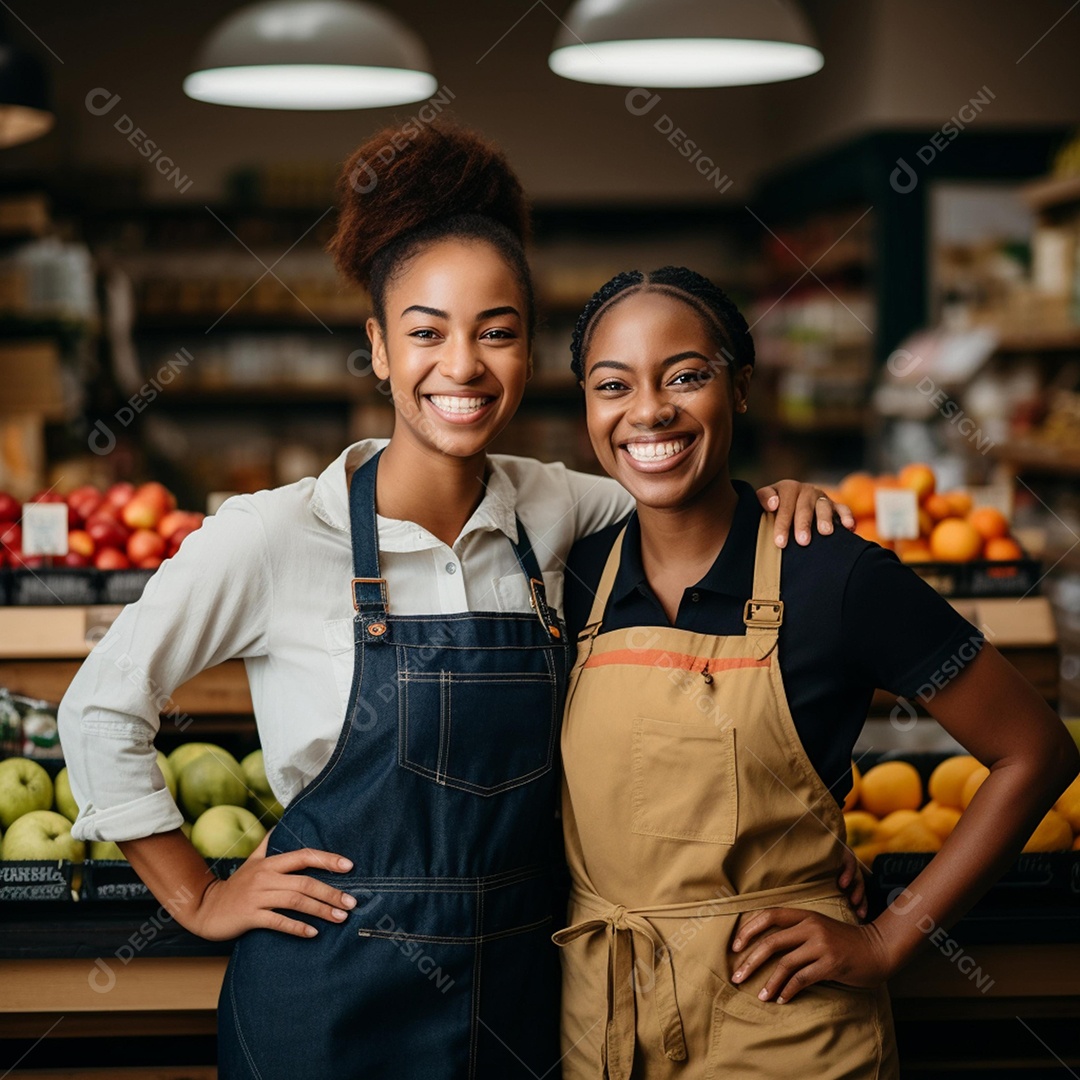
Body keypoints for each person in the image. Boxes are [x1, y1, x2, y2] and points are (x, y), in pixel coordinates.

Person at [58, 128, 847, 1080]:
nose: (463, 365)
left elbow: (688, 500)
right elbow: (100, 707)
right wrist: (197, 896)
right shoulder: (274, 535)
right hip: (327, 999)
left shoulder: (565, 507)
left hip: (523, 993)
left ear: (530, 350)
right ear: (378, 349)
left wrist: (773, 502)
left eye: (497, 332)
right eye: (427, 333)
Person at [556, 266, 1080, 1079]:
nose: (649, 411)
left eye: (686, 376)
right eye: (613, 385)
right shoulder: (573, 575)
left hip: (781, 1029)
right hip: (604, 1027)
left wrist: (889, 938)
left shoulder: (830, 573)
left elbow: (1035, 751)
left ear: (741, 386)